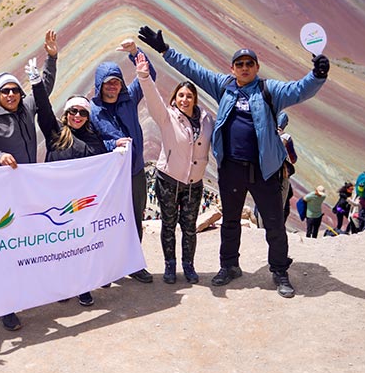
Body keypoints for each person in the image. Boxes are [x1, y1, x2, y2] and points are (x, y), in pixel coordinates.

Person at [138, 25, 328, 298]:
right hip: (231, 169)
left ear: (257, 67)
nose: (244, 68)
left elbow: (299, 90)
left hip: (264, 171)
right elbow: (193, 70)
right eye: (239, 64)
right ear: (232, 69)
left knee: (274, 224)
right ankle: (229, 266)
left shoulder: (269, 90)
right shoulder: (224, 87)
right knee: (229, 221)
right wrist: (165, 50)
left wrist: (318, 74)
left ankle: (279, 272)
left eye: (249, 63)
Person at [0, 30, 58, 331]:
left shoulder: (26, 110)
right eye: (5, 91)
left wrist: (51, 58)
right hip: (2, 196)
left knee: (28, 244)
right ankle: (6, 306)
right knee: (7, 248)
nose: (11, 95)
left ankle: (29, 292)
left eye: (15, 90)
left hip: (26, 191)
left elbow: (43, 89)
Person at [27, 57, 106, 305]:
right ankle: (61, 287)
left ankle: (83, 286)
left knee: (80, 247)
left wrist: (120, 152)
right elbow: (44, 108)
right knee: (57, 247)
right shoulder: (55, 134)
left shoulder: (94, 141)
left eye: (83, 112)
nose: (78, 116)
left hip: (80, 205)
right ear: (67, 113)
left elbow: (104, 168)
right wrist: (37, 83)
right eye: (73, 111)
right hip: (54, 202)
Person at [138, 54, 212, 284]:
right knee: (169, 225)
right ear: (175, 98)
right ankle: (170, 265)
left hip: (194, 184)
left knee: (189, 227)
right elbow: (153, 99)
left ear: (195, 99)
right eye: (181, 95)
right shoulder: (167, 116)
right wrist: (144, 76)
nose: (184, 99)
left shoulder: (207, 119)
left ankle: (188, 265)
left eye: (189, 96)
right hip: (168, 180)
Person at [90, 39, 158, 284]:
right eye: (108, 83)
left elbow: (150, 76)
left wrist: (135, 53)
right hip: (109, 179)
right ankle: (108, 269)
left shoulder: (129, 98)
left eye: (117, 82)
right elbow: (92, 144)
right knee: (108, 222)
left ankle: (133, 264)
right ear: (100, 85)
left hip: (135, 172)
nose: (113, 87)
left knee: (134, 219)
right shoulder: (92, 111)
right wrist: (112, 145)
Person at [277, 112, 298, 221]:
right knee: (281, 200)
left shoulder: (266, 131)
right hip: (281, 171)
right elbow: (293, 158)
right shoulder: (286, 137)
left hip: (263, 169)